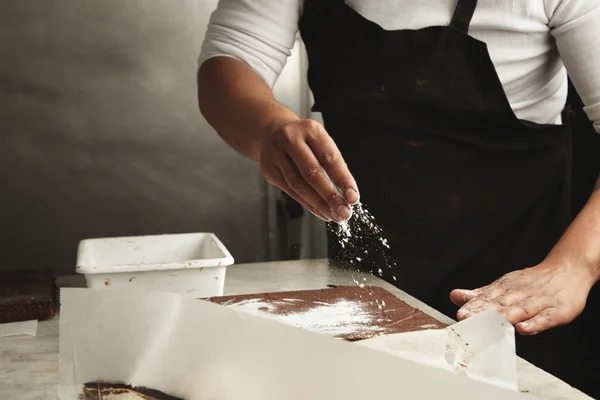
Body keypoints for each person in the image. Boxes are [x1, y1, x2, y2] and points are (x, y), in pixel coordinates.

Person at [197, 0, 600, 395]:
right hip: (364, 287)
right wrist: (269, 127)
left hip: (518, 294)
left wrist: (575, 265)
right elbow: (230, 63)